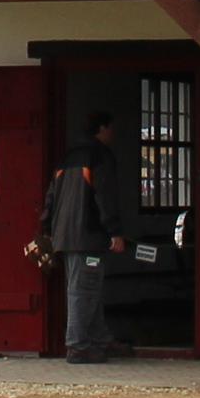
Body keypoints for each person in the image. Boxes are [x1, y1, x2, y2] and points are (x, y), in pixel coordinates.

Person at [46, 116, 124, 364]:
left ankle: (100, 339)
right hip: (88, 236)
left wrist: (49, 230)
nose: (114, 133)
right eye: (111, 128)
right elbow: (105, 196)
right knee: (84, 291)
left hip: (65, 237)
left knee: (89, 289)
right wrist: (114, 231)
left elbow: (51, 197)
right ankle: (78, 346)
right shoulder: (100, 156)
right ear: (102, 128)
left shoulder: (67, 158)